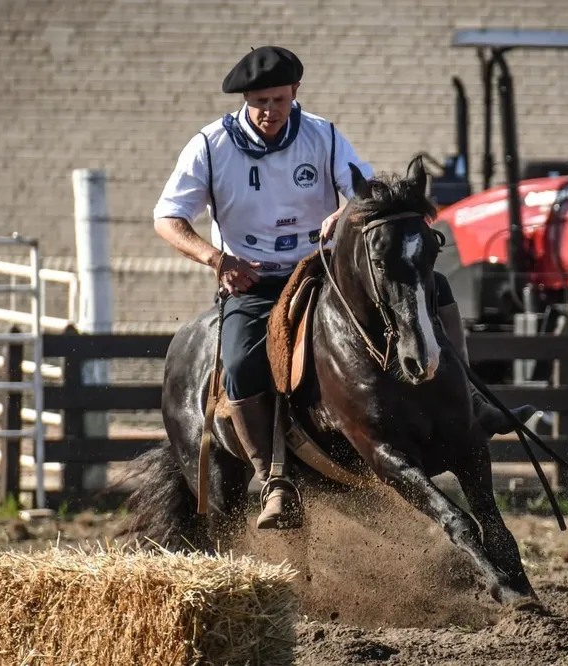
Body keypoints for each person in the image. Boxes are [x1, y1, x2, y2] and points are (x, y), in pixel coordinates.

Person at [152, 45, 530, 530]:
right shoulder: (209, 147)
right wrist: (216, 259)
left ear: (296, 95)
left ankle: (469, 399)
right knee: (242, 362)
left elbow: (364, 191)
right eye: (260, 101)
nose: (269, 112)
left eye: (280, 100)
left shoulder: (323, 136)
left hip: (319, 269)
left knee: (432, 284)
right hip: (253, 281)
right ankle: (274, 480)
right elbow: (167, 218)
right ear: (245, 99)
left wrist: (344, 212)